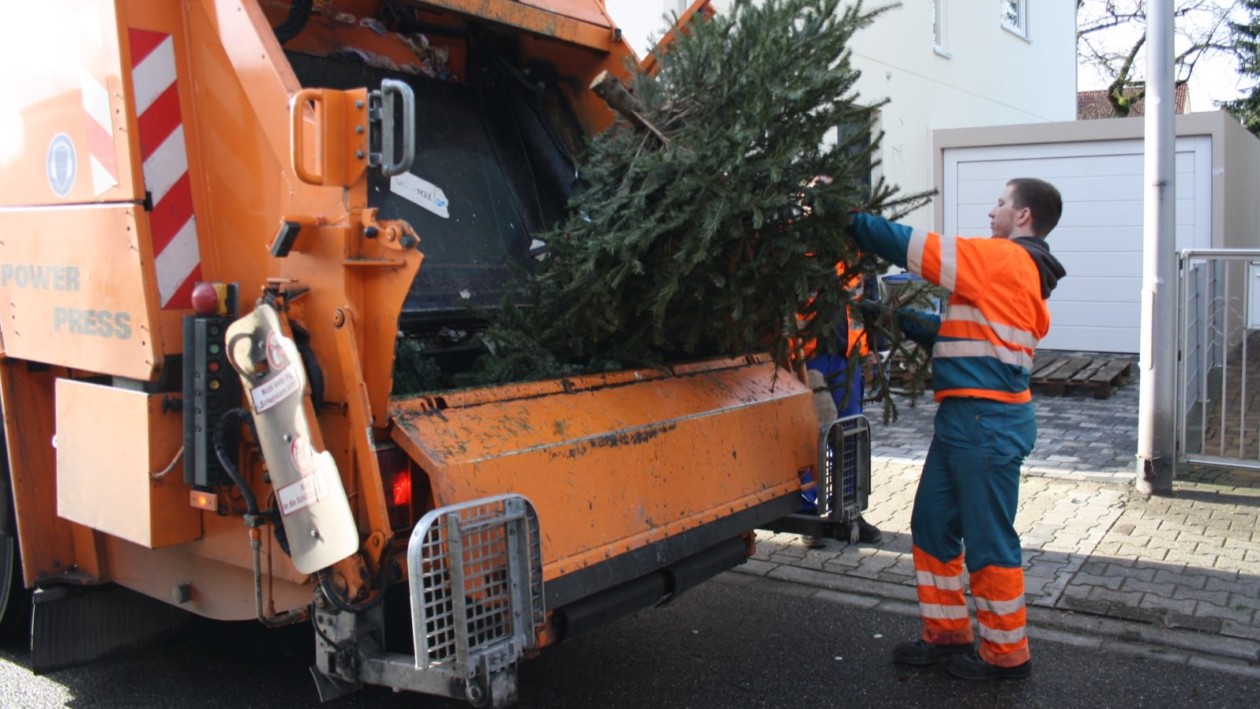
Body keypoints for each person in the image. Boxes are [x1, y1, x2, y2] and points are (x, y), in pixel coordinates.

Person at [847, 178, 1066, 681]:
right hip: (964, 420)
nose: (992, 213)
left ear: (1024, 216)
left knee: (988, 542)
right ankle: (947, 636)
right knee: (930, 525)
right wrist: (893, 317)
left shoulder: (1007, 259)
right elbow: (964, 332)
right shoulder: (1013, 272)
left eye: (1001, 203)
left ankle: (1006, 655)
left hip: (986, 422)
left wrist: (847, 218)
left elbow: (911, 246)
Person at [799, 269, 882, 547]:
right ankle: (808, 514)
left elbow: (870, 306)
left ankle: (849, 512)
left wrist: (873, 354)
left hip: (849, 358)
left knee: (849, 436)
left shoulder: (855, 252)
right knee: (810, 437)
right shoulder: (800, 242)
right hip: (810, 358)